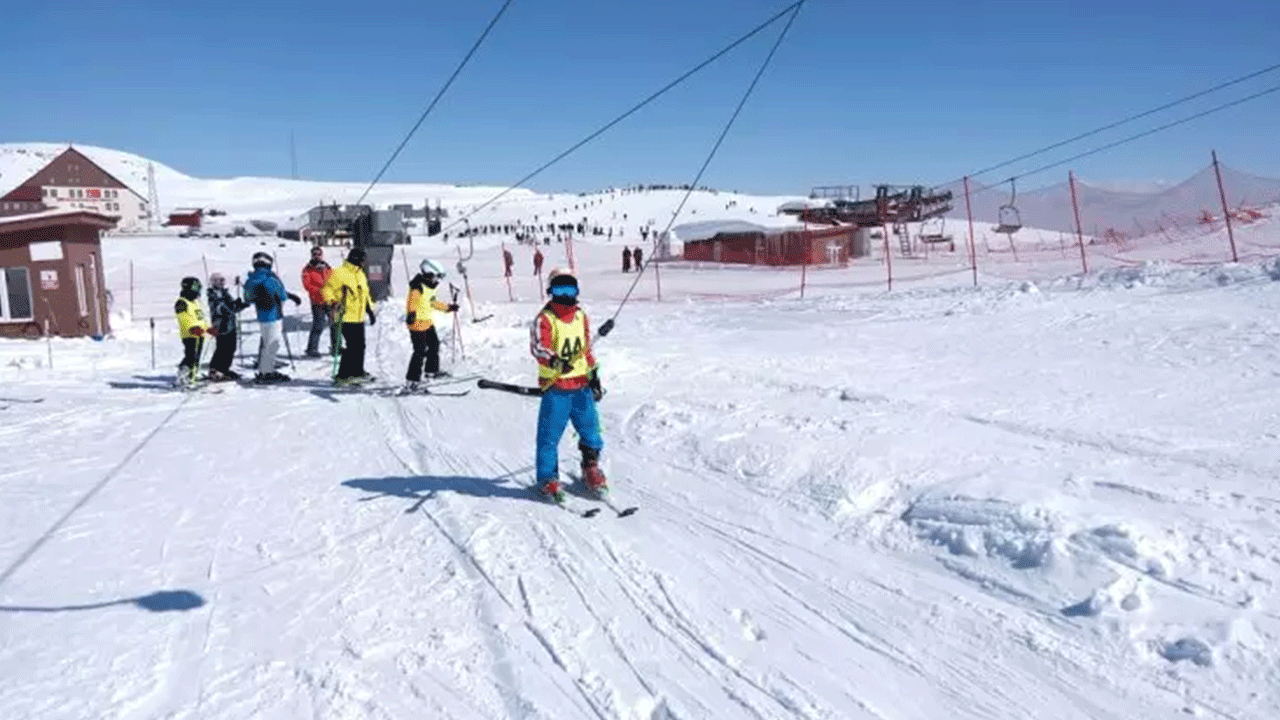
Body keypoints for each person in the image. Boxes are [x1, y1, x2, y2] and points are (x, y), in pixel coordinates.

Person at [529, 269, 608, 504]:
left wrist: (594, 376)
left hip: (582, 387)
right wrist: (554, 360)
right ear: (550, 292)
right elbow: (538, 347)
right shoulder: (545, 319)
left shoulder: (581, 316)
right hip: (557, 389)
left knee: (591, 431)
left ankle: (591, 467)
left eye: (570, 290)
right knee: (549, 437)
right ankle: (548, 478)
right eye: (559, 290)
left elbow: (587, 350)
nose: (565, 296)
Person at [242, 251, 302, 383]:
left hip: (261, 315)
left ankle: (265, 369)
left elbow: (247, 299)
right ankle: (267, 372)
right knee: (273, 343)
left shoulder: (250, 280)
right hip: (274, 314)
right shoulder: (271, 279)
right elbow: (282, 296)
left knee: (266, 342)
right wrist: (289, 295)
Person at [322, 246, 376, 385]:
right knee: (353, 346)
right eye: (362, 260)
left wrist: (370, 310)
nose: (364, 262)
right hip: (345, 316)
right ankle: (343, 375)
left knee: (360, 346)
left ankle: (357, 371)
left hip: (358, 317)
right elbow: (327, 289)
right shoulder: (339, 273)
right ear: (355, 259)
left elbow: (365, 294)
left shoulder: (360, 274)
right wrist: (332, 302)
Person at [404, 259, 460, 390]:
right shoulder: (417, 287)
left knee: (434, 345)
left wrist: (448, 307)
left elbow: (433, 303)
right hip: (417, 324)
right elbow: (412, 301)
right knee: (419, 352)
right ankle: (412, 380)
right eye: (436, 277)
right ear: (429, 274)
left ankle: (431, 371)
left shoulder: (430, 287)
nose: (437, 280)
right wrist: (411, 314)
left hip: (427, 322)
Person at [206, 273, 247, 381]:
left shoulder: (224, 293)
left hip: (229, 324)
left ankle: (224, 369)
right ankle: (216, 370)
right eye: (219, 280)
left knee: (230, 347)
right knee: (223, 348)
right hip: (222, 325)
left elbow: (232, 308)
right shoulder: (214, 294)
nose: (222, 282)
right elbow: (223, 308)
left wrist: (241, 304)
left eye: (223, 280)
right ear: (214, 282)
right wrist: (235, 305)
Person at [174, 276, 211, 386]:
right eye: (196, 288)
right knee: (191, 357)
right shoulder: (182, 302)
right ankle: (185, 376)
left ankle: (192, 377)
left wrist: (207, 329)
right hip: (190, 335)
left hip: (199, 334)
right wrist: (192, 328)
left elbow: (200, 318)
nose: (198, 291)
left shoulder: (195, 303)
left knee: (196, 357)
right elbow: (183, 318)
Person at [301, 246, 334, 357]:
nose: (317, 256)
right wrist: (320, 291)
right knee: (318, 325)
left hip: (330, 301)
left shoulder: (327, 267)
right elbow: (307, 285)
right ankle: (312, 349)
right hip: (317, 301)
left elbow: (334, 281)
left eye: (319, 254)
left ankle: (336, 347)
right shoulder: (308, 269)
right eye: (314, 254)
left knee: (335, 325)